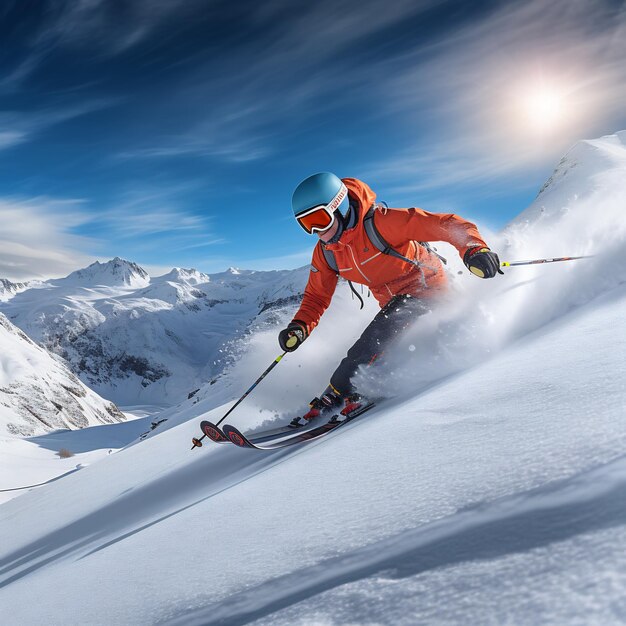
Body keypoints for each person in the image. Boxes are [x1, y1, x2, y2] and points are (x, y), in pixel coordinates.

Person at [279, 172, 501, 421]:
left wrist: (473, 248)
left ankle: (349, 388)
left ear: (339, 207)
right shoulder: (328, 251)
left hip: (427, 290)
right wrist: (299, 326)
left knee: (377, 335)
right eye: (306, 224)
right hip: (393, 303)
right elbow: (316, 297)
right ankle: (343, 389)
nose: (316, 231)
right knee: (385, 335)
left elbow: (446, 224)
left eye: (319, 219)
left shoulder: (382, 223)